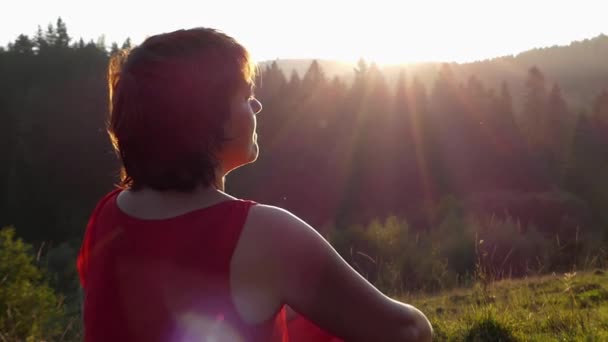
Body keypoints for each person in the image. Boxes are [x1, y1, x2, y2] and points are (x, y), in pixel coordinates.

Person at [77, 27, 432, 342]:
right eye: (245, 96)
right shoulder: (263, 232)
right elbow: (406, 332)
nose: (258, 105)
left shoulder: (106, 216)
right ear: (207, 116)